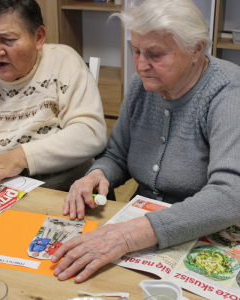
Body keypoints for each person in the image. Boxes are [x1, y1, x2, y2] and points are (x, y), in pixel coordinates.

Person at [51, 0, 240, 283]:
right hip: (143, 230)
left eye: (155, 54)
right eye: (135, 50)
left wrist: (129, 235)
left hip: (204, 234)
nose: (140, 65)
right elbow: (116, 155)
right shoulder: (143, 84)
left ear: (196, 50)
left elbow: (230, 196)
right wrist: (97, 175)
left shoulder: (228, 92)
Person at [0, 0, 107, 191]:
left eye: (7, 40)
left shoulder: (64, 63)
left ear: (39, 37)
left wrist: (19, 158)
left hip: (58, 187)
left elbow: (91, 132)